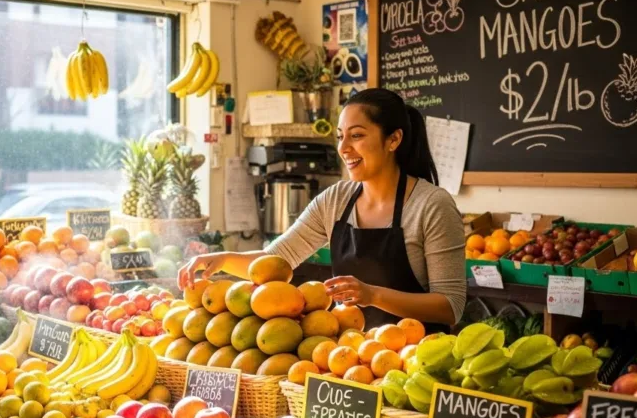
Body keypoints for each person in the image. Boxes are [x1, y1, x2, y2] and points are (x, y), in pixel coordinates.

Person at [179, 88, 466, 331]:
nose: (344, 148)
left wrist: (372, 295)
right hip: (349, 360)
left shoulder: (431, 206)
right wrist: (222, 259)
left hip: (418, 362)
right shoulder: (335, 201)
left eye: (356, 136)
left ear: (393, 140)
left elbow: (450, 307)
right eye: (341, 137)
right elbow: (277, 260)